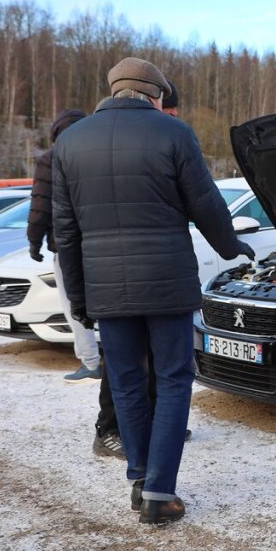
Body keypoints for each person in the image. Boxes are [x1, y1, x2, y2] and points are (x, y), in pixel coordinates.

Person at [52, 57, 254, 525]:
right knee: (173, 380)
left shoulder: (70, 142)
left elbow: (66, 231)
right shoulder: (173, 133)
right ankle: (160, 492)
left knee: (124, 382)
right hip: (167, 285)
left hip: (107, 289)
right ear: (155, 94)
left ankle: (141, 478)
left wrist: (79, 299)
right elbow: (206, 204)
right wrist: (231, 247)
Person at [91, 76, 184, 459]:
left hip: (141, 277)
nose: (171, 118)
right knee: (127, 370)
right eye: (168, 110)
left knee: (145, 368)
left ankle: (153, 438)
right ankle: (109, 430)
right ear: (154, 101)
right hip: (122, 275)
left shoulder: (161, 141)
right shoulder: (147, 143)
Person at [27, 109, 101, 383]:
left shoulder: (50, 158)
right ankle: (116, 358)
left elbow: (40, 204)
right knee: (108, 303)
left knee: (74, 304)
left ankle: (90, 362)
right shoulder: (97, 154)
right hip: (99, 245)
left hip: (65, 246)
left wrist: (34, 241)